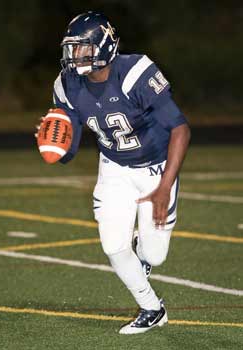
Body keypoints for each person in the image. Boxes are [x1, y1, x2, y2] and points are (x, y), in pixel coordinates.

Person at [51, 11, 191, 334]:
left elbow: (180, 130)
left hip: (156, 167)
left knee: (155, 255)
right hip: (114, 166)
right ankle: (152, 308)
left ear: (103, 47)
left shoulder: (135, 73)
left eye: (83, 49)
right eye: (72, 49)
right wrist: (55, 145)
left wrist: (164, 186)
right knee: (113, 245)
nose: (75, 57)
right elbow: (68, 151)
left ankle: (144, 248)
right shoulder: (68, 85)